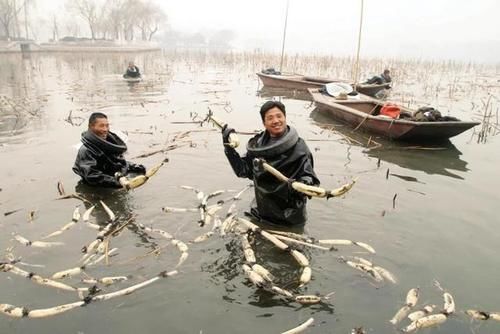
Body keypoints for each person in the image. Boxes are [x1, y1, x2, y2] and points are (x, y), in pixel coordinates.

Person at [222, 101, 320, 226]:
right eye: (270, 118)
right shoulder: (257, 146)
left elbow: (309, 177)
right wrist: (229, 148)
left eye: (279, 116)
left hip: (289, 218)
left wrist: (301, 184)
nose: (276, 121)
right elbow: (243, 171)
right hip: (262, 213)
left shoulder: (300, 148)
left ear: (285, 118)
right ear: (264, 123)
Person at [73, 112, 146, 188]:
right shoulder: (86, 150)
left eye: (107, 126)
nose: (105, 129)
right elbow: (91, 176)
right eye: (101, 126)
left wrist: (133, 167)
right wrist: (118, 182)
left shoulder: (110, 144)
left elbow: (116, 162)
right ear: (91, 127)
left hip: (115, 180)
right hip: (96, 190)